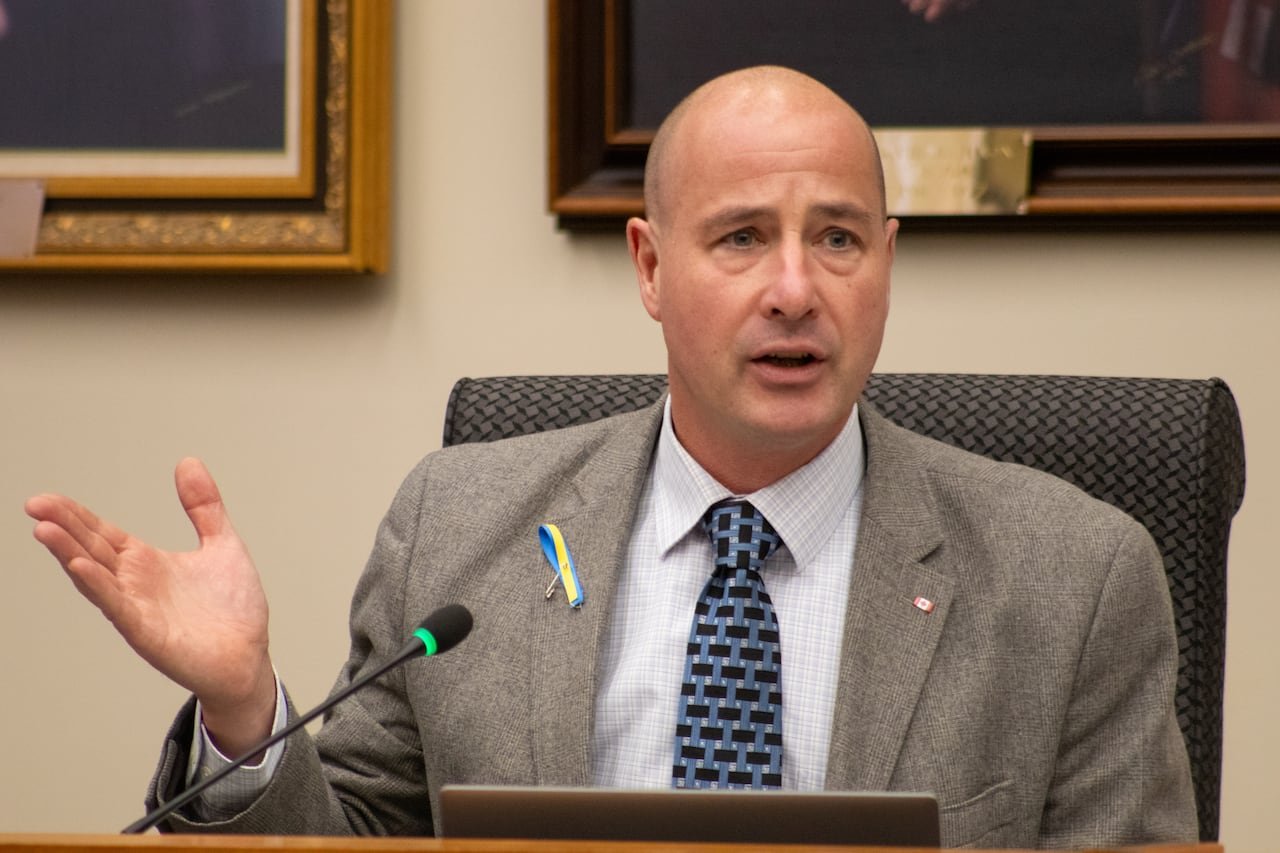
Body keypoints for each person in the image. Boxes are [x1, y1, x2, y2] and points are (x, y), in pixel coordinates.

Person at [25, 65, 1196, 848]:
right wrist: (241, 708)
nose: (795, 290)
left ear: (884, 262)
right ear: (647, 266)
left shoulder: (1073, 578)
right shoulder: (459, 525)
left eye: (836, 238)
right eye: (740, 239)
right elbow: (358, 847)